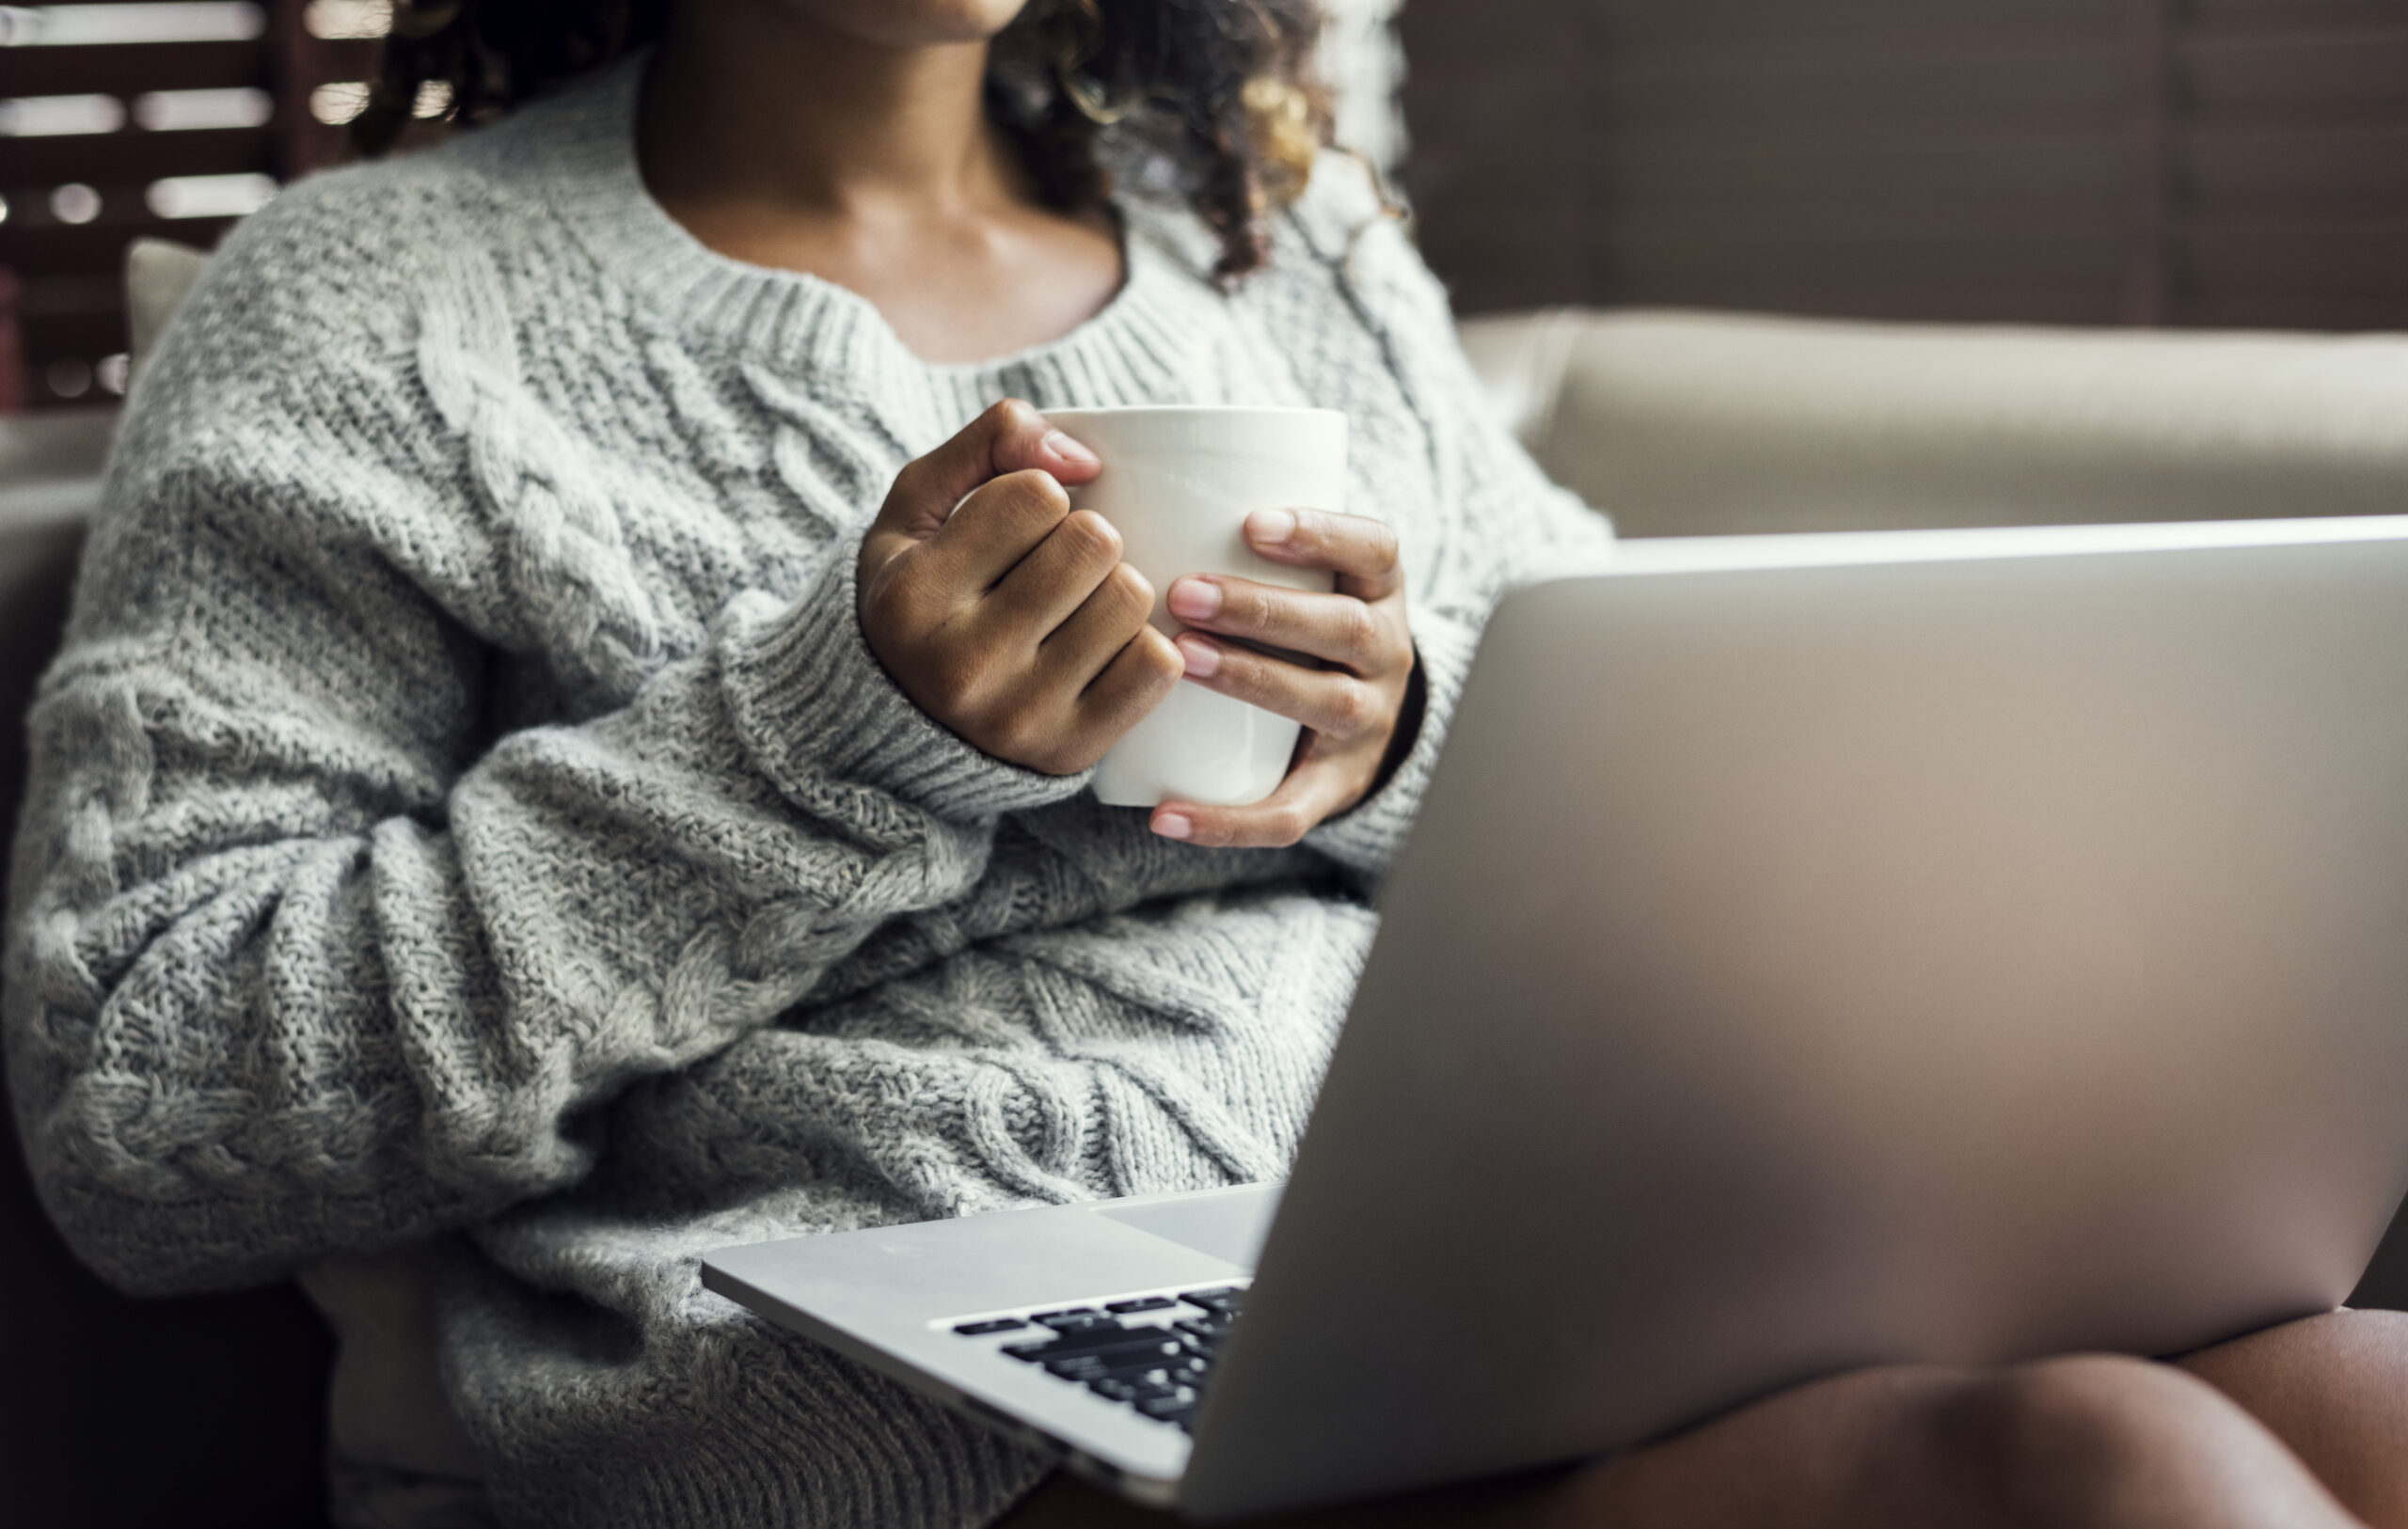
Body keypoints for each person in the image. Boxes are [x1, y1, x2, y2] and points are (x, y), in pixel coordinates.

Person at [5, 1, 2405, 1526]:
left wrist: (1401, 734)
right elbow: (154, 1109)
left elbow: (1657, 763)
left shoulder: (1275, 247)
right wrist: (811, 752)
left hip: (1454, 1250)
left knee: (2360, 1390)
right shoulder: (357, 314)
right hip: (901, 1364)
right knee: (2107, 1478)